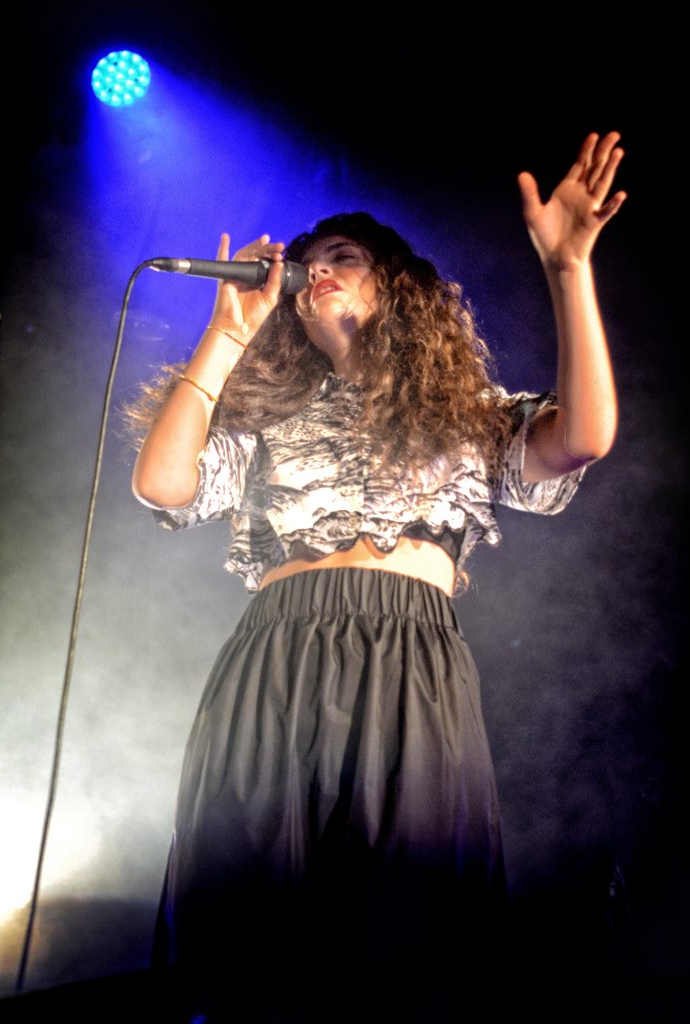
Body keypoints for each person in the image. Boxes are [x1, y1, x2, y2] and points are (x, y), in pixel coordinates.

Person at [129, 133, 625, 1022]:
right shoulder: (267, 418)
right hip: (277, 655)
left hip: (407, 659)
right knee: (250, 930)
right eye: (307, 263)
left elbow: (583, 436)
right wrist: (222, 337)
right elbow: (161, 483)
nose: (315, 271)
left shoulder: (469, 417)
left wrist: (567, 267)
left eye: (342, 258)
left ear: (392, 283)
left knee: (405, 936)